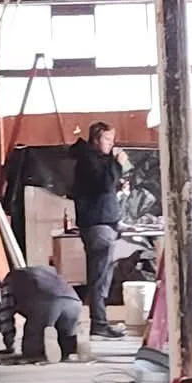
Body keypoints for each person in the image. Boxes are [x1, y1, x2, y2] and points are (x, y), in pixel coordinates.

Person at [71, 120, 127, 338]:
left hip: (104, 223)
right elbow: (103, 183)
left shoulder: (96, 160)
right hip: (98, 225)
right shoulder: (88, 159)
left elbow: (102, 186)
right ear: (95, 139)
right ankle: (99, 323)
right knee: (99, 276)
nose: (111, 144)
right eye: (107, 139)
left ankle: (100, 321)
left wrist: (117, 186)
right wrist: (117, 165)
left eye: (112, 139)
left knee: (102, 275)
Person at [0, 264, 85, 365]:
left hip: (47, 304)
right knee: (67, 340)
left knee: (32, 346)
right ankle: (69, 351)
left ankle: (39, 353)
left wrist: (9, 344)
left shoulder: (9, 281)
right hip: (74, 302)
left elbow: (5, 315)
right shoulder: (50, 273)